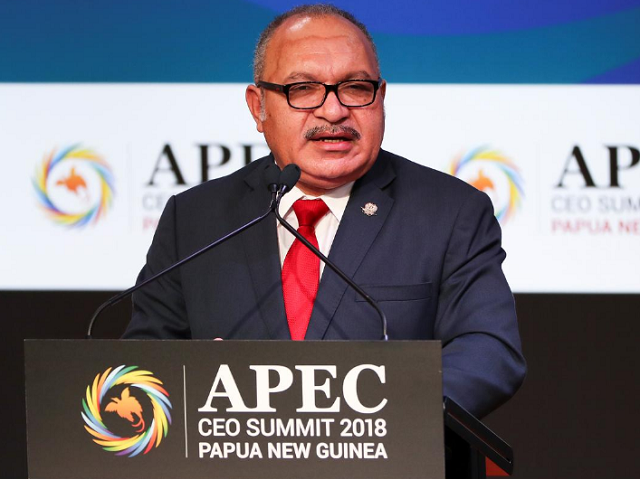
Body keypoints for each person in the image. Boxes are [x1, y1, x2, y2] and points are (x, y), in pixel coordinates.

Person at [124, 4, 526, 419]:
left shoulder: (450, 212)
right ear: (258, 106)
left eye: (354, 87)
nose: (333, 111)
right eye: (303, 89)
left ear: (381, 96)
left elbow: (489, 351)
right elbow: (143, 364)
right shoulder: (194, 219)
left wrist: (380, 417)